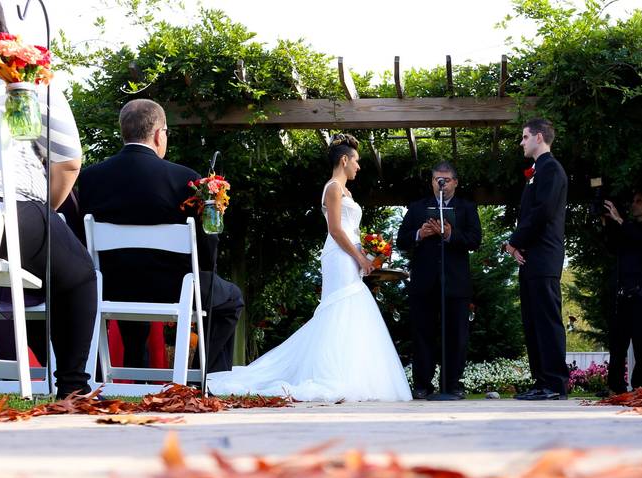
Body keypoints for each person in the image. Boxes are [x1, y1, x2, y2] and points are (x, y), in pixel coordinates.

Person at [0, 0, 96, 399]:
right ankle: (73, 387)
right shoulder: (20, 81)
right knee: (78, 273)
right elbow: (67, 162)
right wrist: (42, 211)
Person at [206, 134, 411, 401]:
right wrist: (360, 258)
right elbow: (336, 229)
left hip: (350, 254)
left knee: (351, 310)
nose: (359, 167)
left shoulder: (347, 191)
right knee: (339, 307)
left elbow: (352, 230)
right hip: (339, 255)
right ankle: (329, 374)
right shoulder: (333, 188)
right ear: (344, 160)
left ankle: (349, 374)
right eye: (357, 161)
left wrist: (369, 254)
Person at [78, 99, 244, 374]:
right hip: (173, 288)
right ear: (158, 134)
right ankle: (206, 379)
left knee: (132, 281)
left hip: (111, 286)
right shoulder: (185, 180)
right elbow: (206, 257)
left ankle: (136, 376)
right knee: (231, 298)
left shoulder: (91, 178)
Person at [397, 161, 482, 400]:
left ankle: (452, 384)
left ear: (455, 182)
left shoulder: (467, 208)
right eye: (436, 180)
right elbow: (401, 240)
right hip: (424, 282)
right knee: (422, 334)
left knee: (456, 335)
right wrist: (418, 234)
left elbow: (475, 239)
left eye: (445, 180)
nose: (440, 184)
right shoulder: (416, 208)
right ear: (432, 181)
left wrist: (450, 234)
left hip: (455, 283)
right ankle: (422, 384)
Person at [503, 118, 569, 400]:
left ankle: (555, 384)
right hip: (531, 257)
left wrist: (513, 242)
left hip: (544, 257)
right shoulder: (538, 172)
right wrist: (517, 247)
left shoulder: (551, 170)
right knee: (532, 322)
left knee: (546, 321)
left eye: (525, 136)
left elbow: (542, 213)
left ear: (539, 138)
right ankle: (542, 381)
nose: (522, 142)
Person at [602, 189, 642, 393]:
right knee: (618, 345)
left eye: (639, 201)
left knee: (641, 344)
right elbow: (612, 247)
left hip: (641, 293)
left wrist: (619, 220)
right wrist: (607, 222)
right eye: (633, 201)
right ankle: (616, 387)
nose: (634, 204)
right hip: (621, 293)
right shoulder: (625, 228)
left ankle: (641, 386)